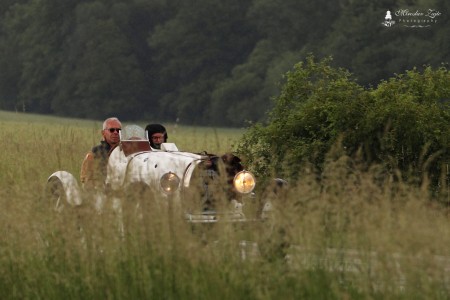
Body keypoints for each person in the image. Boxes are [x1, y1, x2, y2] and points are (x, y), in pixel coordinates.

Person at [80, 117, 122, 189]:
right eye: (112, 130)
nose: (115, 132)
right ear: (103, 133)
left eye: (118, 130)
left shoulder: (126, 151)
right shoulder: (94, 154)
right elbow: (86, 180)